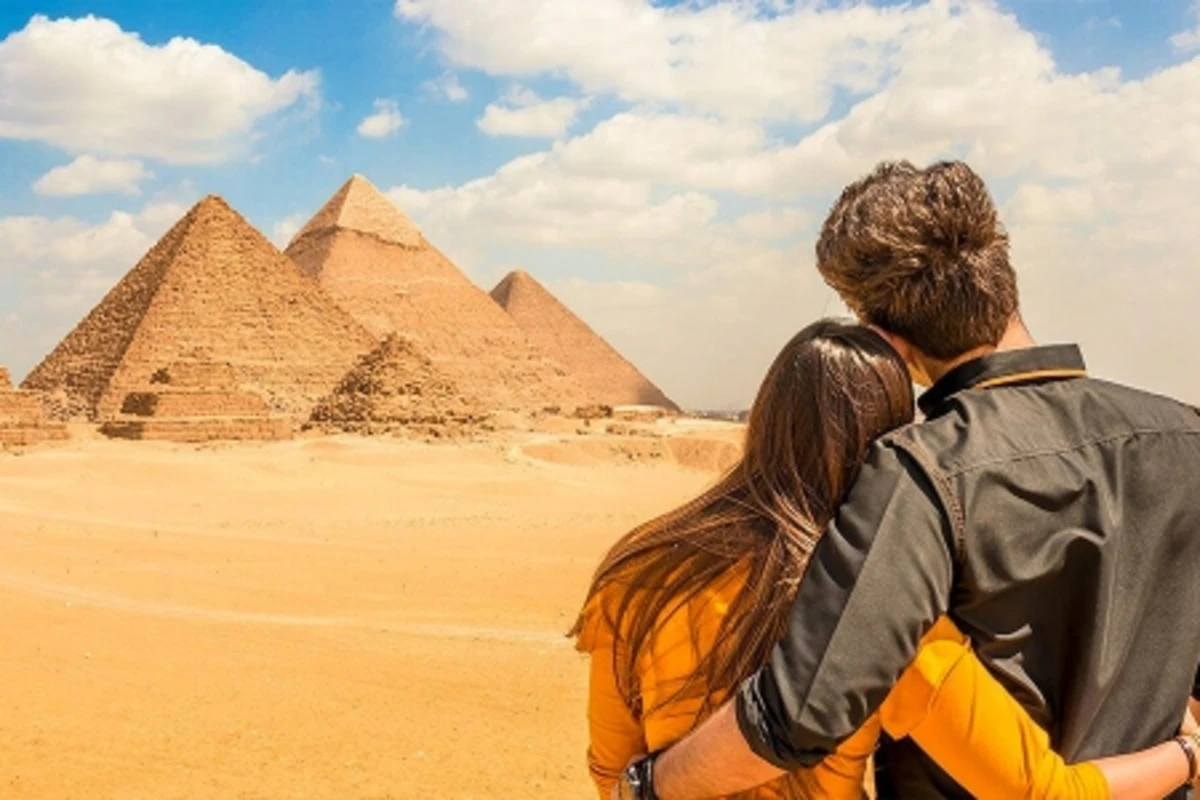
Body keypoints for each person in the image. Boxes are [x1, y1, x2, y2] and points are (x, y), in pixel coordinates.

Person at [611, 160, 1200, 799]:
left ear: (882, 339)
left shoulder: (921, 469)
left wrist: (647, 786)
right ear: (1004, 276)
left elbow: (801, 712)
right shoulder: (1186, 435)